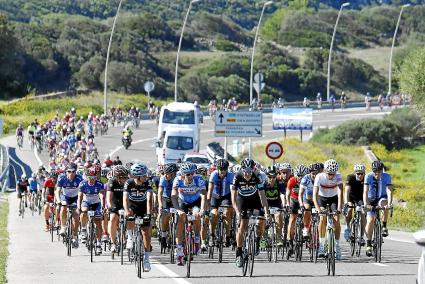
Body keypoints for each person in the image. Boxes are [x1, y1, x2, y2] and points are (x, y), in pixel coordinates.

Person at [232, 158, 268, 268]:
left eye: (249, 171)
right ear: (241, 170)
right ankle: (239, 253)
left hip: (255, 200)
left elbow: (262, 196)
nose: (247, 173)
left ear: (253, 169)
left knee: (261, 220)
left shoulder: (257, 176)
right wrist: (237, 212)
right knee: (242, 225)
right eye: (245, 171)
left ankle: (257, 240)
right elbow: (233, 198)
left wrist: (266, 212)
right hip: (242, 200)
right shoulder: (237, 176)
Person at [171, 162, 206, 266]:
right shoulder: (178, 180)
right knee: (181, 222)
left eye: (192, 173)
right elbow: (173, 196)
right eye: (187, 174)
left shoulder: (198, 179)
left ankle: (196, 239)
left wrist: (202, 210)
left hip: (196, 201)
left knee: (196, 216)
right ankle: (180, 251)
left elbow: (204, 196)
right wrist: (178, 210)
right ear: (183, 174)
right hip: (183, 202)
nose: (190, 176)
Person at [124, 163, 153, 271]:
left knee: (146, 232)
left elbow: (149, 199)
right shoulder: (129, 183)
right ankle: (130, 237)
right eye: (143, 175)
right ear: (137, 176)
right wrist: (126, 210)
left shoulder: (147, 183)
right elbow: (125, 199)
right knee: (129, 213)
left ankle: (146, 259)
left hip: (144, 207)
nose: (146, 177)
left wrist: (149, 213)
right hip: (132, 206)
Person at [313, 159, 343, 260]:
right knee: (322, 219)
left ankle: (337, 246)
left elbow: (340, 192)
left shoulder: (338, 176)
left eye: (333, 174)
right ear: (325, 171)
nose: (331, 176)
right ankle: (321, 246)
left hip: (334, 198)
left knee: (337, 220)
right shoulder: (319, 177)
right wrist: (318, 209)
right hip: (322, 198)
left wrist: (339, 208)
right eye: (329, 174)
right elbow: (315, 195)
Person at [364, 160, 393, 257]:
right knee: (370, 220)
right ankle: (368, 244)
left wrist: (389, 203)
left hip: (382, 197)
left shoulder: (387, 177)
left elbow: (389, 190)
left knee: (384, 204)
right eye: (375, 172)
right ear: (372, 171)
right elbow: (365, 191)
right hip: (371, 199)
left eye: (379, 172)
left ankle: (384, 226)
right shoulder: (368, 176)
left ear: (382, 170)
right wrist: (366, 203)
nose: (377, 174)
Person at [207, 159, 234, 249]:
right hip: (215, 196)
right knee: (214, 214)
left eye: (224, 169)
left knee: (227, 213)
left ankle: (228, 236)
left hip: (226, 196)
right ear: (217, 168)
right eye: (220, 169)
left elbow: (233, 191)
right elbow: (210, 190)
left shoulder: (231, 175)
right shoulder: (214, 174)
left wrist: (234, 203)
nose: (222, 171)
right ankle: (212, 234)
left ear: (227, 169)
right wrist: (207, 203)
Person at [77, 167, 105, 254]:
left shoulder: (99, 183)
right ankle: (84, 229)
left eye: (94, 178)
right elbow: (80, 197)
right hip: (86, 202)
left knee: (98, 223)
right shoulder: (82, 184)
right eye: (90, 178)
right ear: (87, 177)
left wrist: (103, 206)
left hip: (96, 203)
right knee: (84, 211)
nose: (92, 180)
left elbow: (101, 195)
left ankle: (99, 244)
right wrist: (78, 207)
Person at [56, 163, 84, 248]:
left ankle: (75, 236)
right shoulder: (61, 178)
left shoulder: (79, 178)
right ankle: (63, 227)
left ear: (76, 172)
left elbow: (82, 192)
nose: (71, 173)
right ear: (66, 172)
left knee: (76, 217)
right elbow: (57, 191)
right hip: (65, 197)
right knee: (63, 206)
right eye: (69, 171)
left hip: (75, 198)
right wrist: (58, 201)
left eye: (73, 172)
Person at [286, 164, 309, 256]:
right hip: (294, 200)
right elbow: (288, 194)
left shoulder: (308, 181)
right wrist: (287, 204)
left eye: (302, 176)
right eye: (298, 175)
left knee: (307, 214)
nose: (300, 177)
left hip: (304, 200)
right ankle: (290, 243)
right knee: (292, 220)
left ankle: (305, 230)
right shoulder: (292, 180)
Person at [106, 165, 128, 253]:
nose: (123, 179)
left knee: (130, 217)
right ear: (116, 177)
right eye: (121, 177)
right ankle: (112, 242)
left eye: (125, 177)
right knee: (112, 219)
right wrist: (110, 207)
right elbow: (108, 197)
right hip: (115, 202)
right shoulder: (112, 181)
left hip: (125, 202)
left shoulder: (128, 182)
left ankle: (127, 235)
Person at [263, 166, 286, 246]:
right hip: (266, 203)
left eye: (273, 177)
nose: (272, 179)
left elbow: (282, 194)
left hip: (276, 203)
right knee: (263, 219)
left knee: (279, 215)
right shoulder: (264, 183)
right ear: (267, 177)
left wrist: (284, 204)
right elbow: (260, 197)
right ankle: (263, 239)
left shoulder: (280, 182)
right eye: (269, 177)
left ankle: (279, 238)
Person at [344, 164, 366, 245]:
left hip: (360, 198)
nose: (360, 176)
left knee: (363, 213)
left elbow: (369, 192)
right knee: (350, 209)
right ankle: (347, 226)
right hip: (351, 197)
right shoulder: (350, 177)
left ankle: (361, 236)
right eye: (358, 174)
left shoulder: (366, 179)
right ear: (355, 173)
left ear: (364, 173)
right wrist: (346, 203)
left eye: (362, 174)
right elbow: (346, 191)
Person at [158, 163, 178, 249]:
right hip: (166, 198)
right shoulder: (163, 179)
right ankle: (163, 235)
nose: (166, 175)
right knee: (166, 214)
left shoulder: (178, 178)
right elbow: (160, 192)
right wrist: (159, 204)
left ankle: (176, 233)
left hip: (176, 198)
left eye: (168, 174)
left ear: (173, 173)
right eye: (165, 173)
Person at [299, 163, 320, 240]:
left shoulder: (321, 178)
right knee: (307, 208)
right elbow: (300, 193)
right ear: (309, 173)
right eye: (313, 174)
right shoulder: (305, 178)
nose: (315, 176)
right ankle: (306, 228)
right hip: (307, 199)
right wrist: (301, 204)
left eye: (316, 174)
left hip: (317, 199)